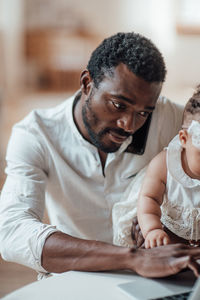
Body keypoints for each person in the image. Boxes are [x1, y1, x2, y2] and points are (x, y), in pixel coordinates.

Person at [0, 32, 200, 279]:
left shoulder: (173, 120)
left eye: (144, 113)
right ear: (86, 83)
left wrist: (172, 230)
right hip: (76, 280)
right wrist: (133, 258)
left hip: (160, 280)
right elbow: (12, 232)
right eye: (118, 105)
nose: (128, 124)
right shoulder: (36, 135)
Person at [137, 86, 200, 249]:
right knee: (162, 248)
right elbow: (149, 198)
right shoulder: (163, 165)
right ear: (184, 139)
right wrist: (152, 230)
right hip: (169, 228)